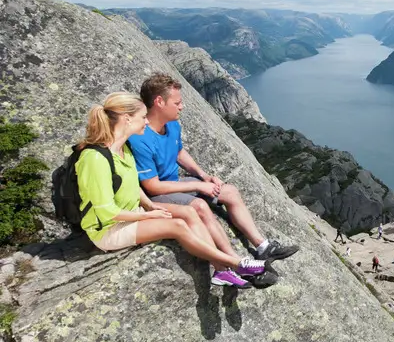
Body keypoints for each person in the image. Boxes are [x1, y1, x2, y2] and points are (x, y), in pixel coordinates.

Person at [75, 92, 270, 288]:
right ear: (127, 119)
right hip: (109, 229)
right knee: (177, 226)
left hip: (133, 212)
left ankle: (221, 271)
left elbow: (132, 185)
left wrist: (150, 206)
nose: (146, 122)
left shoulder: (122, 150)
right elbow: (106, 211)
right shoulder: (95, 158)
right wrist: (147, 216)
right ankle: (234, 264)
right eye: (142, 117)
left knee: (189, 211)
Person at [129, 74, 298, 265]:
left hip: (176, 184)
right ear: (159, 102)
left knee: (230, 192)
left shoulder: (172, 125)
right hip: (158, 194)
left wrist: (204, 176)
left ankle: (263, 247)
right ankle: (236, 263)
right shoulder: (140, 138)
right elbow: (153, 187)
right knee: (200, 206)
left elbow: (179, 153)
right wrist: (198, 186)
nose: (181, 107)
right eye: (177, 103)